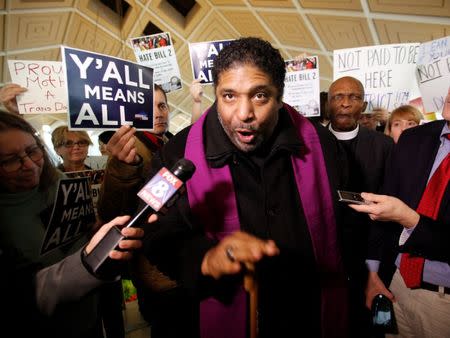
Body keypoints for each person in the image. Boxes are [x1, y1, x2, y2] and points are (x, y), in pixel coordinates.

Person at [139, 37, 349, 338]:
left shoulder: (322, 144)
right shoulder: (176, 153)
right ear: (216, 94)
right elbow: (152, 227)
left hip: (309, 313)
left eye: (260, 95)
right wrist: (204, 258)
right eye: (229, 96)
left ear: (279, 96)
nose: (243, 113)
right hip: (216, 312)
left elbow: (349, 221)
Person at [0, 110, 144, 337]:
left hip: (90, 311)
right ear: (57, 148)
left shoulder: (60, 184)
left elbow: (89, 229)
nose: (28, 165)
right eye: (9, 160)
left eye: (32, 151)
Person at [349, 87, 450, 338]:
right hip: (395, 286)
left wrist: (408, 218)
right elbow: (383, 206)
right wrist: (372, 273)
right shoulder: (415, 138)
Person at [97, 83, 174, 336]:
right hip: (154, 266)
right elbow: (112, 214)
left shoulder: (167, 143)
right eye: (148, 108)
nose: (158, 113)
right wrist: (122, 167)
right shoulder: (128, 151)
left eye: (162, 105)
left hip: (173, 261)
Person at [327, 76, 394, 337]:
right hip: (325, 261)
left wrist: (374, 268)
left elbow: (388, 207)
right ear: (328, 103)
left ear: (363, 104)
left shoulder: (383, 146)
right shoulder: (311, 144)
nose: (345, 104)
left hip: (368, 257)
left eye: (353, 97)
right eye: (338, 97)